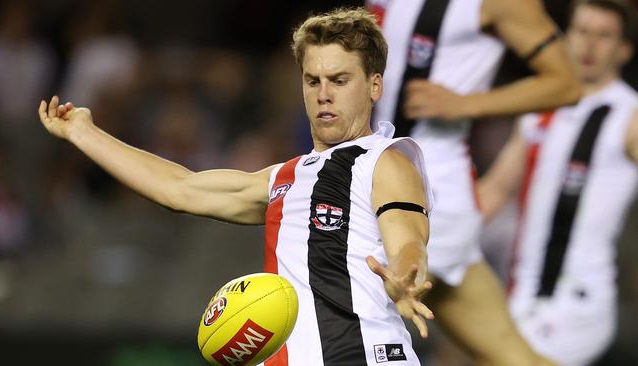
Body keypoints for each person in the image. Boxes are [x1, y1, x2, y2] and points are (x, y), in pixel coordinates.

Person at [39, 8, 435, 366]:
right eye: (312, 80)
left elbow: (407, 239)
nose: (323, 94)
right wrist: (84, 133)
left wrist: (405, 275)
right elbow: (181, 189)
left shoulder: (384, 160)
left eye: (339, 80)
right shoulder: (285, 177)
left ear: (375, 86)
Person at [364, 0, 581, 364]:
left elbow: (566, 83)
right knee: (514, 356)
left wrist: (468, 104)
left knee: (344, 323)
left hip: (428, 191)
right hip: (384, 180)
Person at [478, 1, 638, 364]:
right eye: (582, 32)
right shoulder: (540, 107)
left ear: (623, 49)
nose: (590, 45)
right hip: (523, 296)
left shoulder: (627, 115)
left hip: (576, 300)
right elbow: (496, 190)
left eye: (604, 36)